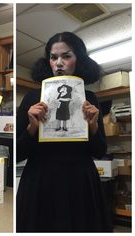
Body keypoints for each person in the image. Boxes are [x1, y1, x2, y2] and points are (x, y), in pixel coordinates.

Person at [16, 32, 112, 232]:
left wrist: (93, 124)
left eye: (66, 56)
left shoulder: (90, 98)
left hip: (81, 183)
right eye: (53, 57)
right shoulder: (32, 97)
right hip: (40, 181)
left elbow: (100, 151)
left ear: (79, 61)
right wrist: (32, 125)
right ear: (48, 62)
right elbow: (17, 153)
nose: (59, 63)